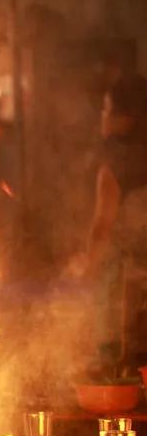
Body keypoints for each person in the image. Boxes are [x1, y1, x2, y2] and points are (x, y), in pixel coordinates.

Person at [80, 74, 147, 368]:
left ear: (126, 118)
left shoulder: (114, 161)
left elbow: (102, 226)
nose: (102, 117)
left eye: (106, 109)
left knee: (121, 361)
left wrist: (86, 272)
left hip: (128, 284)